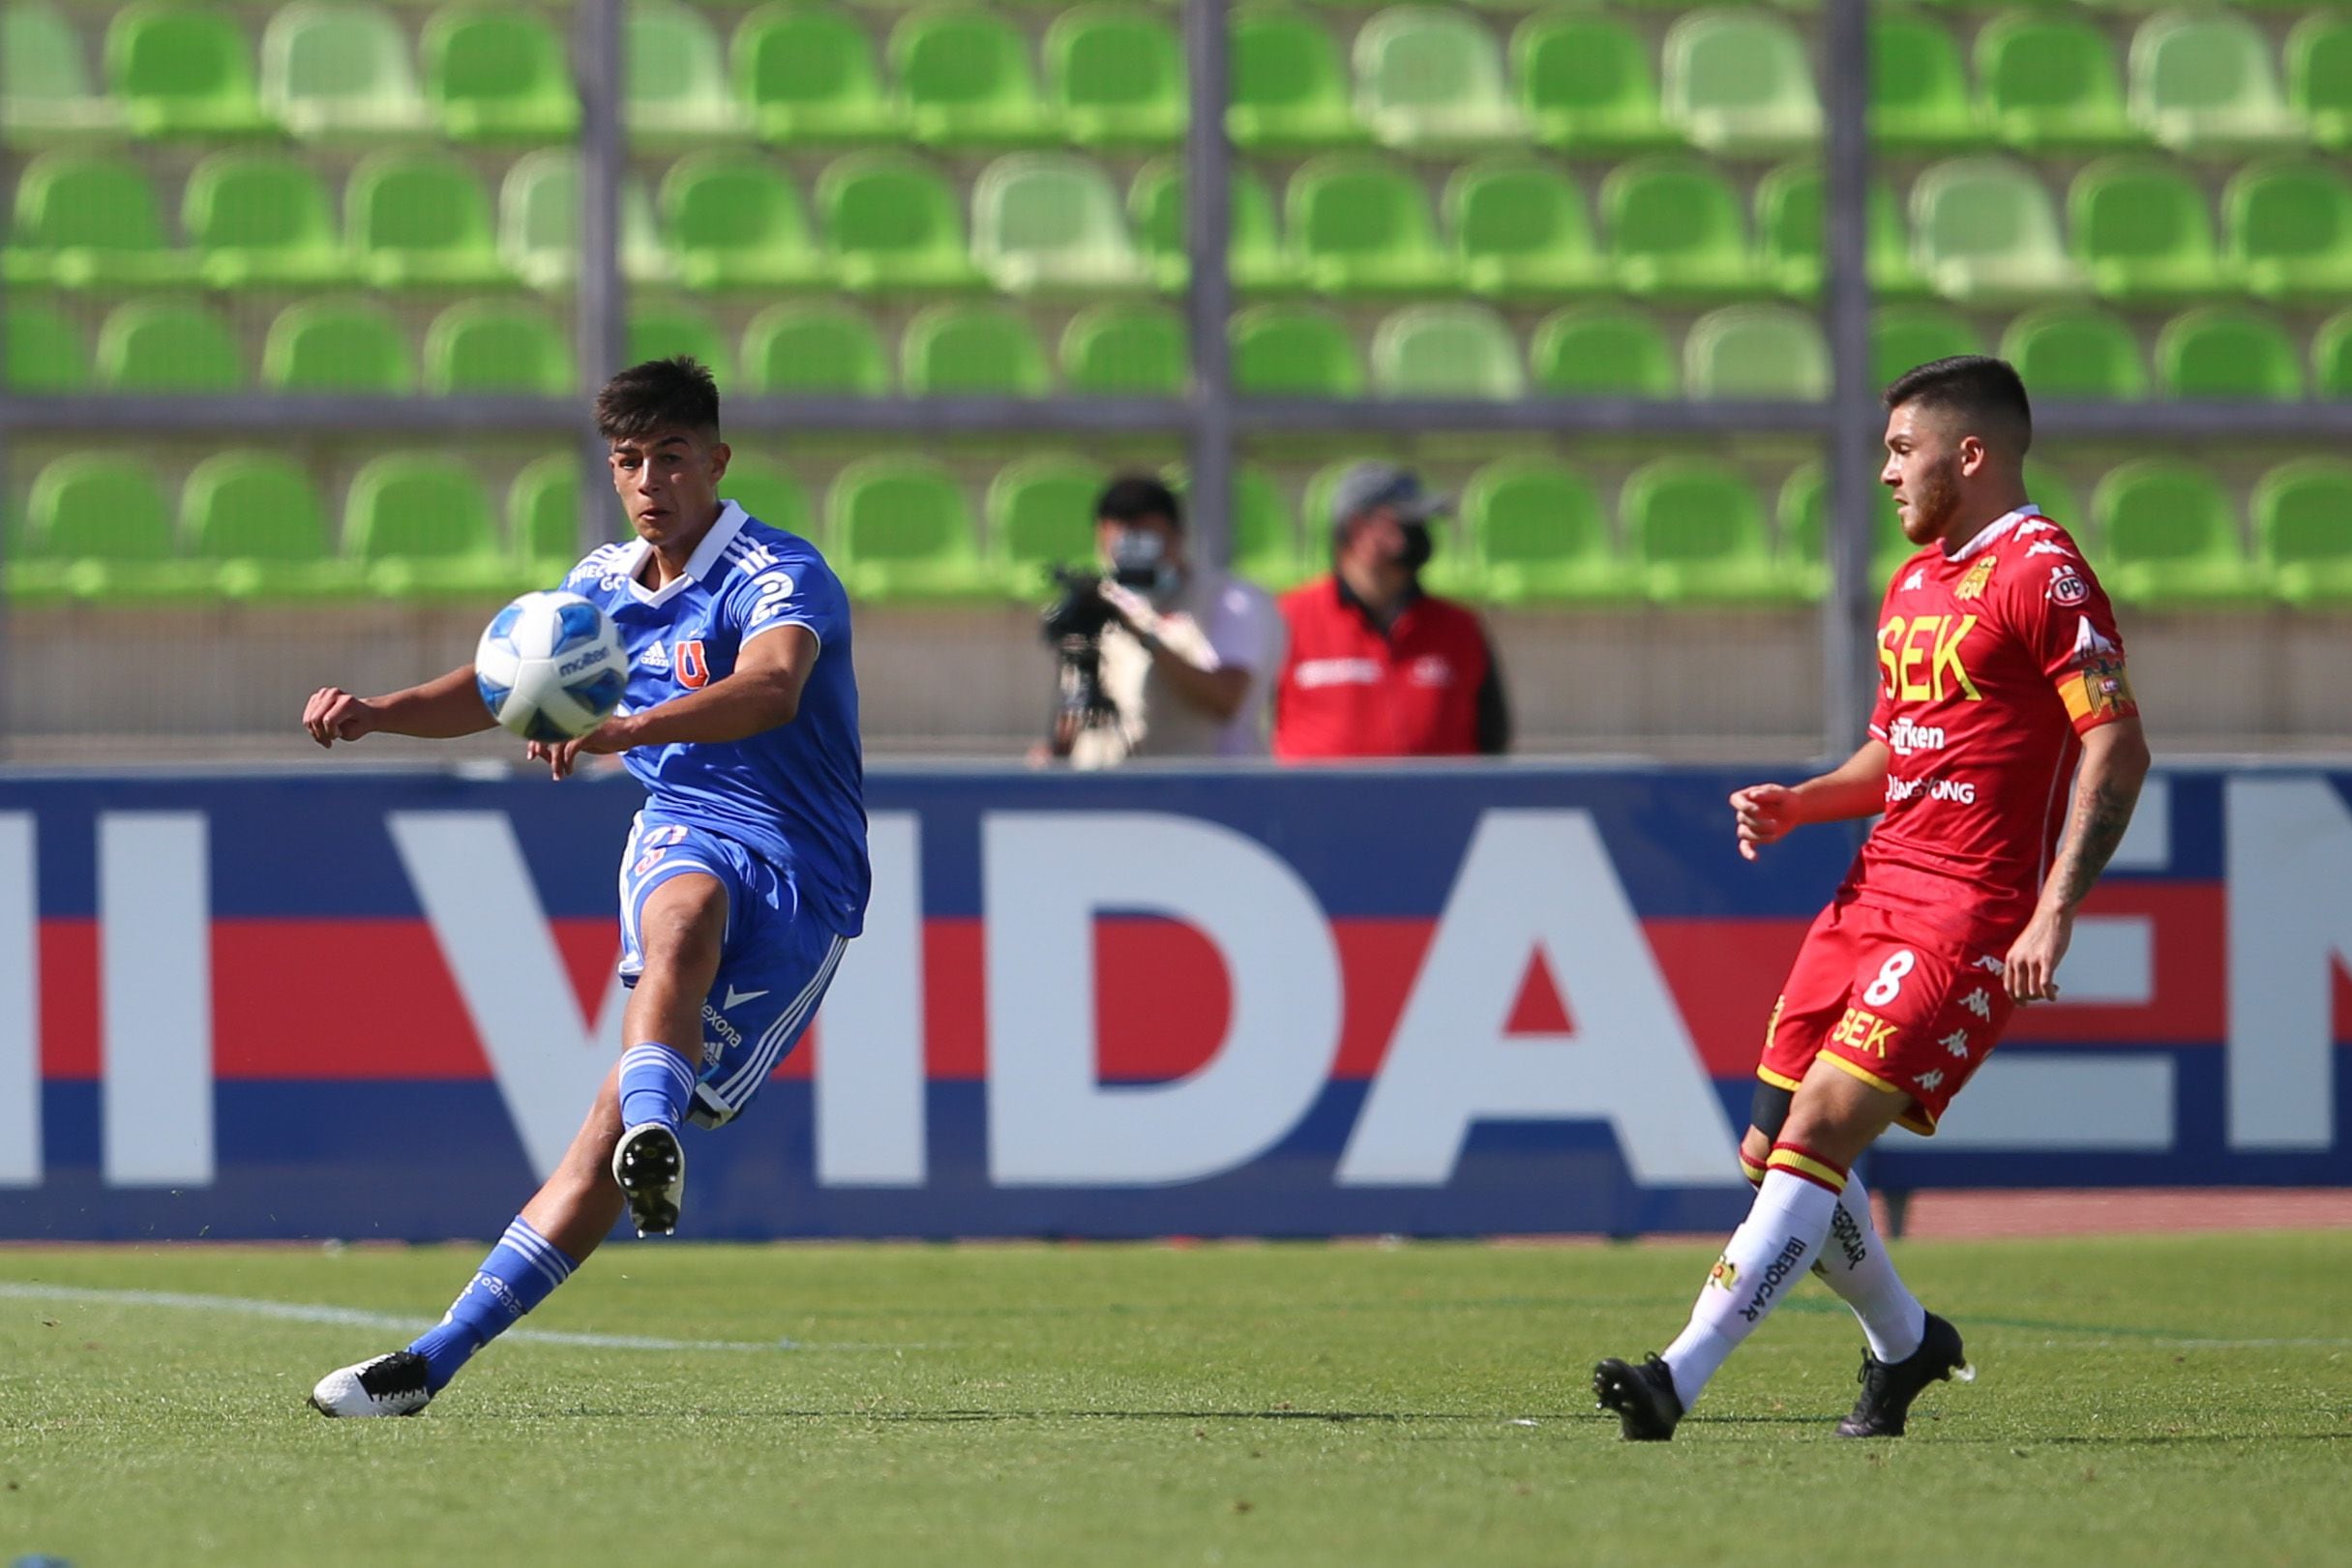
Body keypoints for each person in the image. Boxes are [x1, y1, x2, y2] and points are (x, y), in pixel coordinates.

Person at [298, 357, 869, 1418]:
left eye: (670, 456)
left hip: (804, 870)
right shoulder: (600, 584)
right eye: (628, 461)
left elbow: (774, 686)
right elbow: (494, 684)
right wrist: (378, 709)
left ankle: (606, 1168)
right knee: (681, 914)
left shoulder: (780, 571)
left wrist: (630, 727)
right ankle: (435, 1355)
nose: (650, 480)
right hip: (688, 825)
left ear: (716, 460)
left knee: (599, 1139)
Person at [1593, 357, 2151, 1441]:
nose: (1887, 471)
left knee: (1813, 1135)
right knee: (1769, 1155)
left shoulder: (2045, 573)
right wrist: (1803, 803)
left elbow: (2115, 747)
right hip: (1866, 898)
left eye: (1903, 448)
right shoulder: (1917, 582)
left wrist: (2053, 908)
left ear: (1971, 453)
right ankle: (1906, 1343)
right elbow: (1899, 750)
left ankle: (1676, 1376)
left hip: (1966, 913)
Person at [1269, 462, 1509, 760]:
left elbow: (1492, 735)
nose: (1419, 535)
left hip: (1439, 804)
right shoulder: (1290, 619)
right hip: (1316, 805)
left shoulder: (1459, 628)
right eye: (1405, 522)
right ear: (1359, 528)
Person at [1042, 475, 1284, 768]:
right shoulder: (1099, 602)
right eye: (1123, 542)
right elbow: (1074, 714)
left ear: (1177, 536)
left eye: (1146, 541)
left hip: (1202, 785)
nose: (1135, 556)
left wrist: (1144, 637)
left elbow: (1226, 700)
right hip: (1111, 784)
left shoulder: (1229, 600)